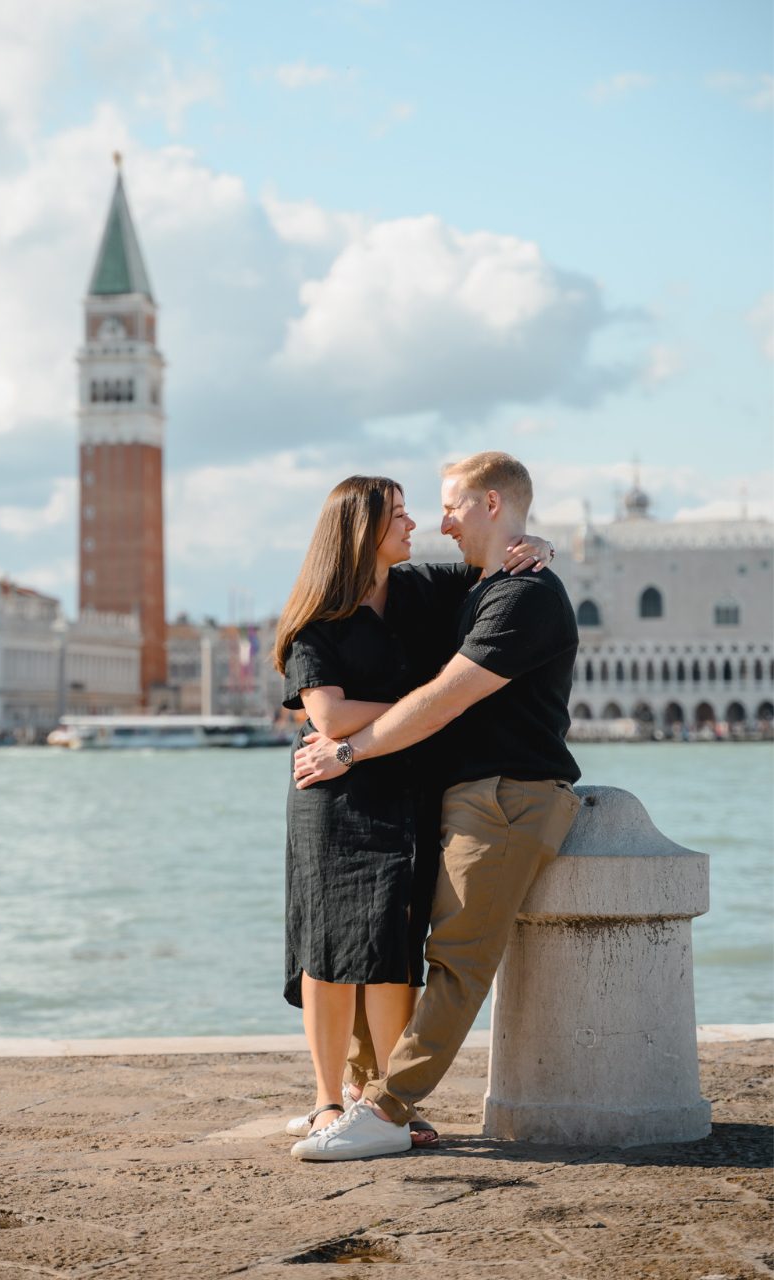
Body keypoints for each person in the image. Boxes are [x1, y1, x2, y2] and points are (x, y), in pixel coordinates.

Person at [289, 451, 582, 1161]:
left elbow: (445, 699)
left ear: (488, 505)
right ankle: (361, 1096)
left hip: (508, 794)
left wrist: (349, 750)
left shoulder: (522, 595)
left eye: (449, 506)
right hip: (458, 795)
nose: (435, 521)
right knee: (390, 946)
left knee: (454, 959)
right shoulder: (475, 586)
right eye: (413, 512)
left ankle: (386, 1109)